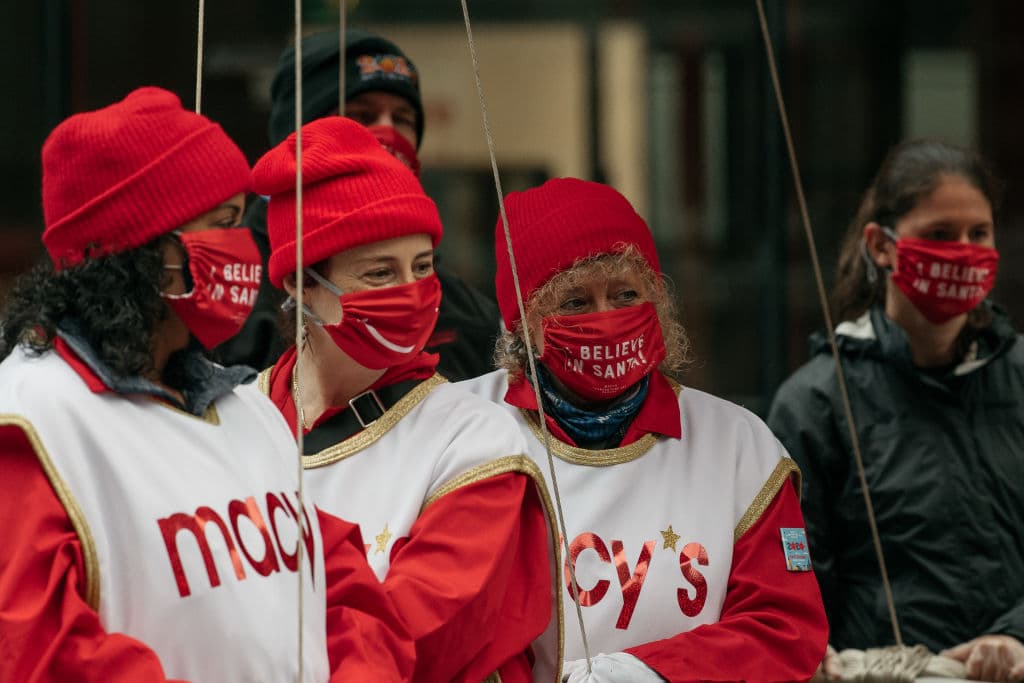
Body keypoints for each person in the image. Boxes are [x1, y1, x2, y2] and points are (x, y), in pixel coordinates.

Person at [0, 87, 413, 682]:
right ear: (140, 250)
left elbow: (344, 591)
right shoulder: (31, 424)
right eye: (221, 225)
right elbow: (43, 656)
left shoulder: (246, 406)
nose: (244, 249)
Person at [458, 177, 829, 682]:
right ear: (524, 321)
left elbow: (783, 629)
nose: (607, 318)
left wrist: (647, 675)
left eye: (626, 293)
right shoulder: (458, 428)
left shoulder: (739, 445)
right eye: (575, 302)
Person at [252, 115, 558, 683]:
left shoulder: (476, 442)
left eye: (422, 268)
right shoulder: (231, 420)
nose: (412, 295)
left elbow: (415, 639)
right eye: (380, 274)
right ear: (300, 283)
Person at [767, 139, 1024, 683]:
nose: (962, 250)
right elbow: (793, 570)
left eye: (978, 234)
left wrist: (1014, 637)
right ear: (881, 246)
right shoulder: (816, 401)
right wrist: (816, 651)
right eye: (938, 235)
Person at [217, 28, 502, 381]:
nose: (385, 135)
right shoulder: (224, 289)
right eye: (360, 116)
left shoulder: (465, 309)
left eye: (402, 119)